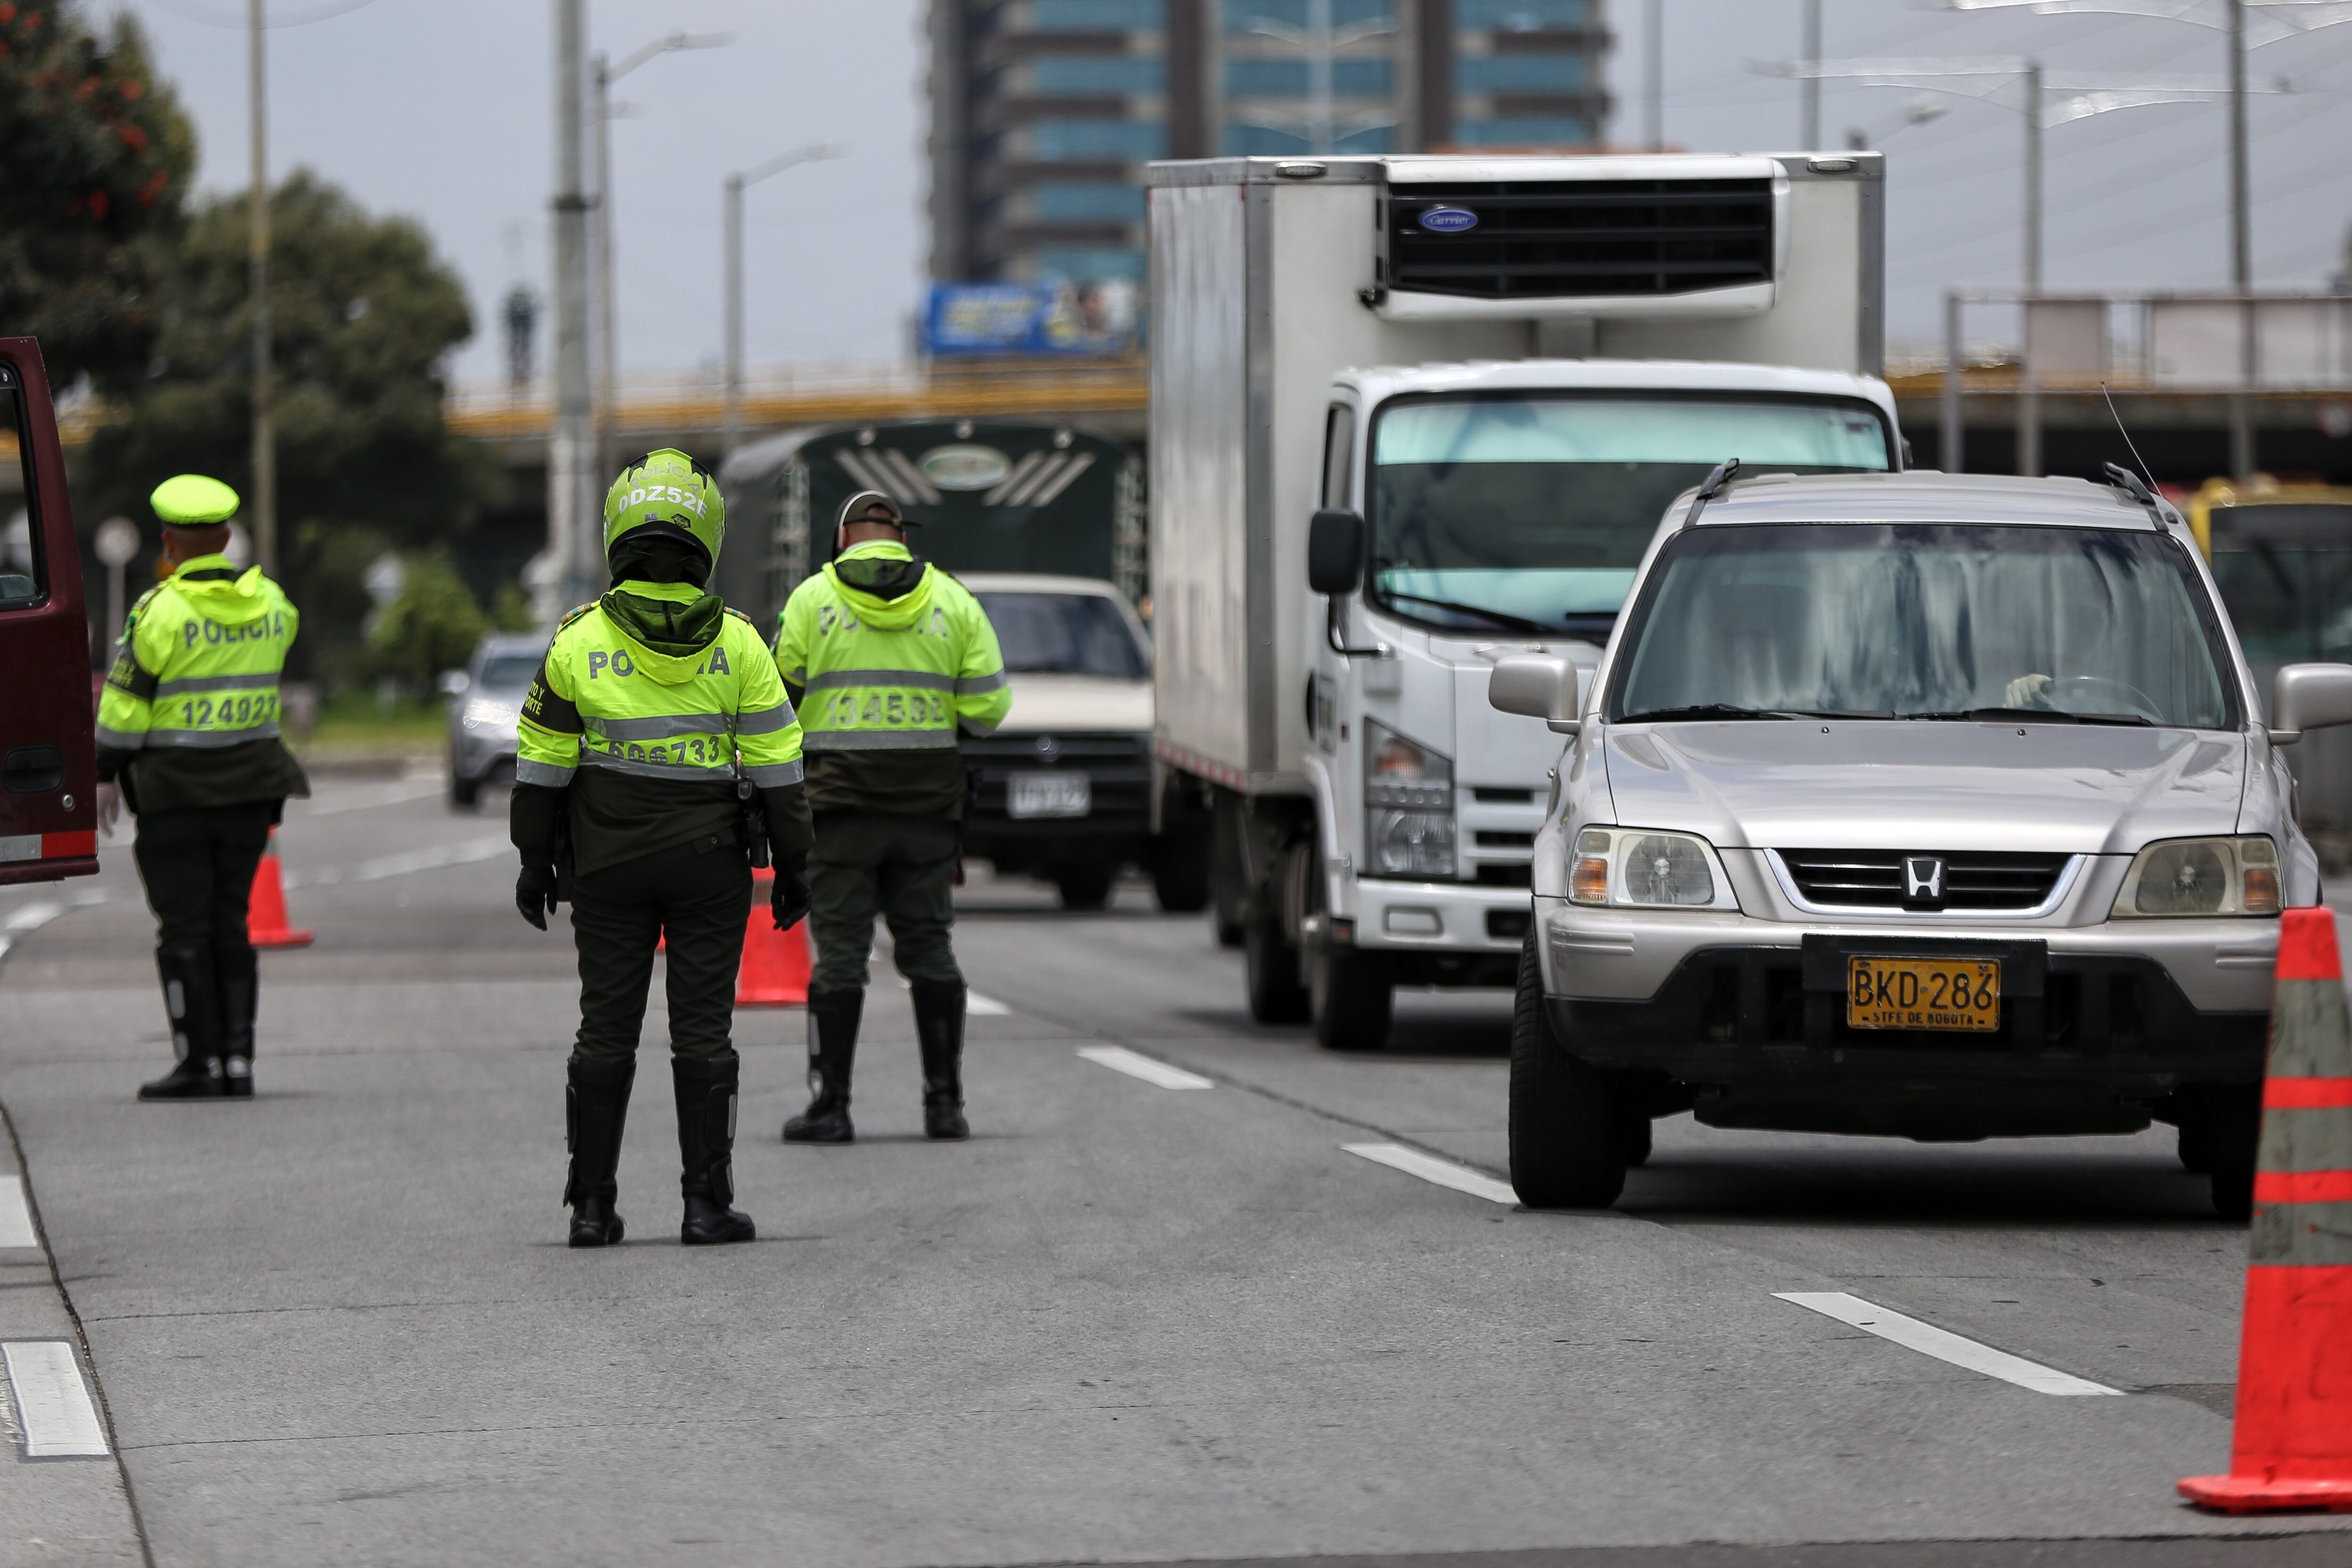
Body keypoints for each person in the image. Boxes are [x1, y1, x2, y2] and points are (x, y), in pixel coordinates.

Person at [511, 448, 813, 1248]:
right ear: (704, 536)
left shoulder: (577, 641)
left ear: (618, 530)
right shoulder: (741, 644)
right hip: (710, 866)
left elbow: (540, 771)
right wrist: (794, 866)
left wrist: (533, 862)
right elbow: (782, 772)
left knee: (604, 1031)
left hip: (605, 867)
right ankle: (705, 1205)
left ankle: (591, 1207)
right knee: (703, 1033)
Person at [773, 489, 1012, 1145]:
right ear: (901, 538)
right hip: (927, 812)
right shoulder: (953, 601)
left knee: (841, 957)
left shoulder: (811, 600)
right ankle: (944, 1105)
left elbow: (775, 701)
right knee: (930, 948)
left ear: (842, 538)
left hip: (838, 811)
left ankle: (832, 1106)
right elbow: (990, 710)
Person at [93, 475, 309, 1101]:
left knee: (184, 927)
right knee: (230, 921)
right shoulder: (271, 603)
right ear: (225, 537)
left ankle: (197, 1062)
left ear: (167, 543)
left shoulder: (157, 612)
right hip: (250, 793)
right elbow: (284, 637)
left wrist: (105, 770)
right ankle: (238, 1061)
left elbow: (126, 706)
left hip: (175, 798)